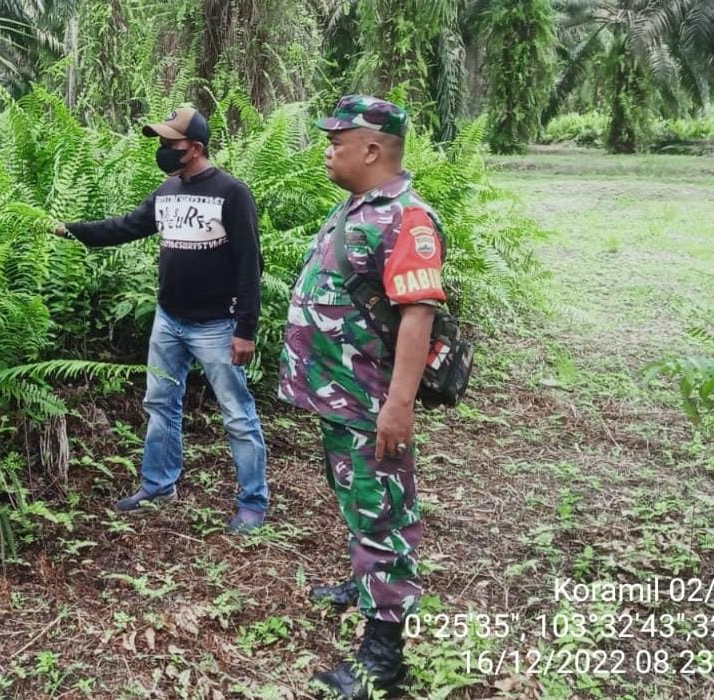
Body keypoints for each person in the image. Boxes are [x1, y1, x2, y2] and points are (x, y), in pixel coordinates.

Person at [277, 95, 447, 698]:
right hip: (338, 397)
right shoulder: (359, 207)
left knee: (383, 513)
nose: (327, 151)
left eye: (336, 142)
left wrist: (398, 406)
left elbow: (417, 315)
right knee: (355, 495)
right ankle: (364, 583)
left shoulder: (407, 218)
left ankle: (384, 656)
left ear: (372, 149)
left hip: (372, 402)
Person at [53, 107, 270, 534]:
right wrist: (69, 229)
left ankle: (252, 502)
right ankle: (158, 486)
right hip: (169, 320)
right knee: (160, 404)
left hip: (217, 325)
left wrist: (246, 329)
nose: (163, 150)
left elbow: (250, 265)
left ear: (195, 149)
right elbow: (128, 226)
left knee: (237, 414)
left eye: (170, 144)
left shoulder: (232, 192)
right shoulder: (168, 189)